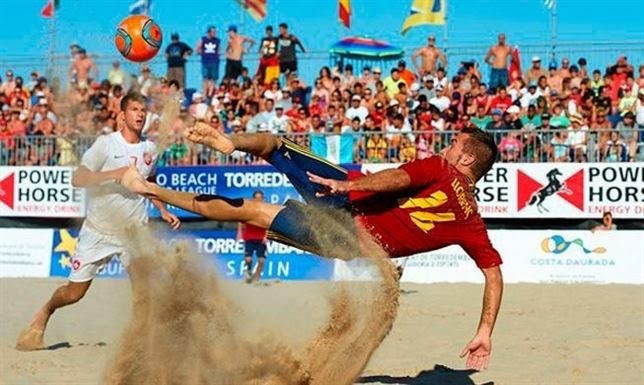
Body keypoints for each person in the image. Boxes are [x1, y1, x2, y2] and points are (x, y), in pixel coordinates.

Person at [120, 124, 504, 371]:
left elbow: (397, 178)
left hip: (345, 197)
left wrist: (348, 186)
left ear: (467, 157)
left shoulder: (442, 167)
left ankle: (227, 144)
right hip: (346, 242)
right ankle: (152, 190)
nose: (449, 146)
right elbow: (493, 275)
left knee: (273, 144)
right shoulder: (472, 222)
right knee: (252, 212)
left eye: (455, 144)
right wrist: (484, 330)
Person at [15, 92, 181, 351]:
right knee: (73, 294)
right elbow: (78, 179)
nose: (140, 114)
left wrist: (162, 208)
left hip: (133, 231)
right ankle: (45, 312)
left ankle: (140, 347)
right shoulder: (106, 144)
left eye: (143, 110)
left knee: (143, 291)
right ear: (123, 115)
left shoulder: (149, 149)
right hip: (99, 231)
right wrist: (116, 174)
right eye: (135, 109)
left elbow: (150, 182)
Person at [237, 190, 269, 283]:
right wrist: (239, 232)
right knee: (248, 259)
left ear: (263, 199)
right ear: (253, 199)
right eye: (256, 198)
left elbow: (269, 224)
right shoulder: (248, 209)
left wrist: (266, 236)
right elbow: (240, 220)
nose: (258, 200)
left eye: (260, 198)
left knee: (261, 260)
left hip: (261, 238)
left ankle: (256, 278)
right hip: (249, 237)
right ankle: (249, 271)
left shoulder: (266, 210)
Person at [196, 25, 221, 94]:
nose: (215, 33)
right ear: (209, 32)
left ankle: (210, 94)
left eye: (215, 32)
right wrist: (204, 53)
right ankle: (204, 93)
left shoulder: (217, 40)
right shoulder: (203, 39)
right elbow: (197, 49)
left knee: (213, 79)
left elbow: (219, 50)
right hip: (205, 61)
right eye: (213, 32)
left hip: (215, 62)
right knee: (205, 78)